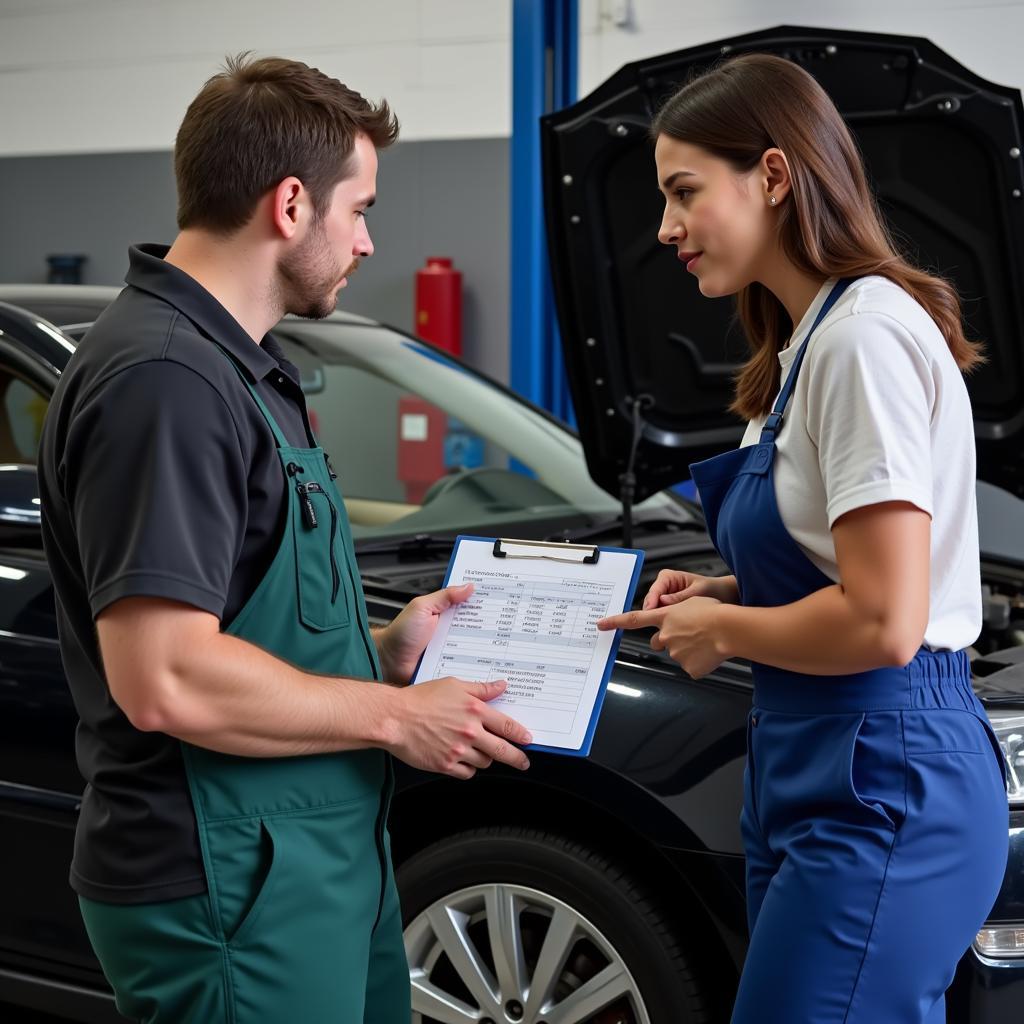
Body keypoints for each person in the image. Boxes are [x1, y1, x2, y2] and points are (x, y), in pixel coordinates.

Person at [37, 54, 532, 1024]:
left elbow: (242, 613)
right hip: (228, 879)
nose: (365, 240)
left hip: (312, 857)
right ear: (292, 204)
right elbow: (164, 677)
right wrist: (395, 718)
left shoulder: (244, 368)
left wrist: (379, 657)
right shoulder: (165, 381)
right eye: (361, 209)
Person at [598, 54, 1008, 1024]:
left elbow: (882, 617)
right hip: (811, 757)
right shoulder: (801, 348)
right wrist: (723, 595)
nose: (664, 229)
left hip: (885, 764)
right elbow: (837, 562)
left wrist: (726, 637)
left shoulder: (862, 340)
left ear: (774, 178)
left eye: (683, 191)